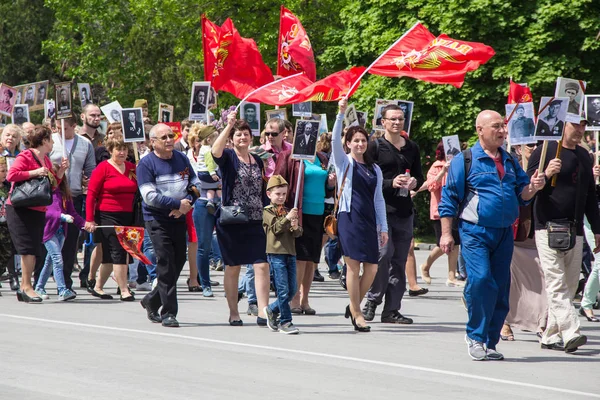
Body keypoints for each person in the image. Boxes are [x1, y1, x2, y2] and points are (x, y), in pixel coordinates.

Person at [438, 110, 545, 361]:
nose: (502, 131)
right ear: (480, 130)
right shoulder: (464, 160)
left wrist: (534, 186)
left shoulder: (509, 160)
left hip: (504, 233)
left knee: (499, 287)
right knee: (481, 280)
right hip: (475, 232)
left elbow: (523, 194)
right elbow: (449, 199)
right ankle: (475, 336)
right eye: (496, 126)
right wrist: (446, 234)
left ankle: (490, 341)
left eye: (503, 126)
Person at [527, 116, 600, 353]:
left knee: (568, 285)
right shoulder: (544, 151)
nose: (580, 130)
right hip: (546, 227)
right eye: (575, 125)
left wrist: (597, 229)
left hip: (575, 229)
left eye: (583, 126)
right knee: (556, 283)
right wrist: (546, 174)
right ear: (562, 126)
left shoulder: (584, 156)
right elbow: (527, 188)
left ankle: (549, 335)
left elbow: (590, 197)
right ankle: (571, 331)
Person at [362, 104, 424, 324]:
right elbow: (366, 177)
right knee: (383, 256)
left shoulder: (412, 147)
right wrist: (390, 182)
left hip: (404, 210)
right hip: (382, 211)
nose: (397, 123)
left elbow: (419, 176)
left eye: (400, 119)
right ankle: (372, 299)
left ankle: (392, 310)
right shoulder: (375, 146)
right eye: (393, 119)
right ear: (383, 122)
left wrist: (415, 182)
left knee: (399, 260)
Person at [138, 124, 200, 327]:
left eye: (171, 135)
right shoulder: (146, 164)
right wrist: (176, 204)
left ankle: (152, 300)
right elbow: (149, 196)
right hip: (157, 219)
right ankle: (169, 313)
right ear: (152, 142)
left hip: (179, 216)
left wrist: (187, 204)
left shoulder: (181, 159)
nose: (168, 140)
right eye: (163, 137)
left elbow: (196, 185)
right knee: (165, 262)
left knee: (179, 260)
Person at [334, 99, 388, 332]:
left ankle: (353, 304)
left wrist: (383, 227)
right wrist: (340, 114)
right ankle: (357, 313)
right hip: (349, 218)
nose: (360, 144)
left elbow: (379, 199)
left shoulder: (374, 168)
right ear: (348, 144)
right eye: (355, 140)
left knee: (373, 268)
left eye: (363, 140)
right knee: (353, 267)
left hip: (369, 220)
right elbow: (335, 141)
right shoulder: (344, 162)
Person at [212, 112, 270, 327]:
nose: (242, 138)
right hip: (233, 221)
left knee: (262, 265)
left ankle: (264, 311)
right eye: (238, 135)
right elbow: (214, 151)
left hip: (256, 220)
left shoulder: (257, 159)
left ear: (251, 138)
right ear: (232, 139)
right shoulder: (228, 156)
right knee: (233, 266)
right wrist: (228, 126)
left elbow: (262, 189)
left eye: (246, 134)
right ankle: (233, 312)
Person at [275, 123, 334, 315]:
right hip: (300, 213)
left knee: (312, 260)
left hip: (318, 213)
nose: (310, 137)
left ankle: (305, 299)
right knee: (300, 258)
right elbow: (278, 182)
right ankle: (294, 299)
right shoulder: (291, 157)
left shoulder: (322, 158)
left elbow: (325, 188)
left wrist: (331, 184)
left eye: (314, 134)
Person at [7, 125, 68, 303]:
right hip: (21, 208)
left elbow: (52, 185)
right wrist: (35, 172)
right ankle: (26, 287)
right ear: (44, 141)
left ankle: (27, 287)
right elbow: (12, 175)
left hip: (37, 208)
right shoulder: (26, 155)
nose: (53, 143)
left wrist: (61, 171)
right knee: (27, 249)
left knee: (34, 249)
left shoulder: (47, 160)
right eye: (50, 140)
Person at [86, 136, 137, 301]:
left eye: (124, 149)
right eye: (118, 149)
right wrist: (89, 219)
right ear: (110, 151)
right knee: (118, 250)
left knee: (109, 255)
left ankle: (98, 287)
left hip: (128, 215)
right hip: (107, 215)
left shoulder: (131, 168)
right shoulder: (103, 168)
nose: (122, 152)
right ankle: (124, 289)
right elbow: (91, 195)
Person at [50, 114, 96, 290]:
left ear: (74, 126)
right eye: (58, 128)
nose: (61, 131)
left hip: (73, 196)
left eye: (66, 128)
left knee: (70, 241)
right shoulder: (51, 141)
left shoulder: (84, 144)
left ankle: (66, 281)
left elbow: (91, 170)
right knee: (49, 239)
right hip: (52, 196)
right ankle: (44, 278)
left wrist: (87, 180)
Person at [35, 176, 93, 301]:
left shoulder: (65, 194)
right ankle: (62, 290)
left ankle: (39, 287)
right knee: (57, 259)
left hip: (61, 232)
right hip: (49, 231)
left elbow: (73, 213)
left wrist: (84, 224)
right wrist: (61, 216)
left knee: (50, 261)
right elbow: (46, 212)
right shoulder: (46, 192)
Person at [263, 175, 303, 334]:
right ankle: (286, 321)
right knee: (283, 290)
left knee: (293, 289)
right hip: (276, 253)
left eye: (284, 194)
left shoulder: (288, 211)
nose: (281, 197)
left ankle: (272, 309)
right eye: (277, 194)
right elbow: (276, 229)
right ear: (269, 195)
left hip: (290, 252)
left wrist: (295, 225)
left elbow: (297, 234)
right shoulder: (267, 211)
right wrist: (287, 219)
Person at [421, 142, 463, 287]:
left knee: (455, 242)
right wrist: (443, 171)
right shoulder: (436, 166)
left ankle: (451, 276)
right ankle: (425, 266)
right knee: (442, 244)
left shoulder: (459, 164)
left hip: (455, 209)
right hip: (439, 211)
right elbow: (431, 186)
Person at [0, 156, 18, 291]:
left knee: (7, 252)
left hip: (6, 223)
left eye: (6, 170)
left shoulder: (8, 186)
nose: (5, 173)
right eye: (2, 171)